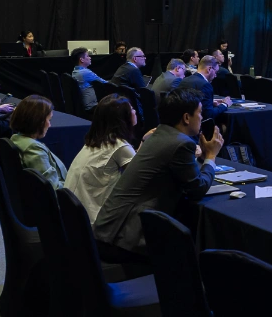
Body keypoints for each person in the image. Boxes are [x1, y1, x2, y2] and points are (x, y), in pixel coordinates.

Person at [93, 91, 223, 262]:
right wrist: (211, 157)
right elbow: (197, 188)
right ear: (186, 117)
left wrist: (203, 158)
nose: (202, 117)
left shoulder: (159, 134)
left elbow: (182, 174)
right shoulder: (181, 143)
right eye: (199, 113)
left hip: (107, 230)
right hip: (123, 239)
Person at [63, 96, 138, 224]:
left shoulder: (95, 141)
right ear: (121, 118)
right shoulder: (120, 146)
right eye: (131, 109)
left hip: (72, 218)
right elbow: (141, 176)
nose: (135, 111)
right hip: (94, 224)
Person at [9, 96, 69, 188]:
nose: (49, 125)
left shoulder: (15, 139)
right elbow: (53, 188)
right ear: (38, 121)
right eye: (49, 120)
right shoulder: (33, 149)